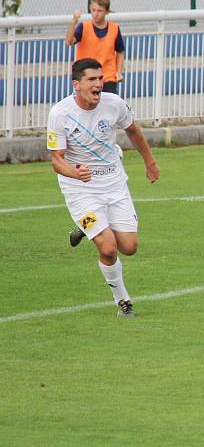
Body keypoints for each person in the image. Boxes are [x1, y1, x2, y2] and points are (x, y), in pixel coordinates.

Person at [47, 58, 160, 317]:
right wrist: (73, 172)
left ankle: (86, 227)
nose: (99, 84)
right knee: (108, 247)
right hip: (80, 189)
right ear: (76, 84)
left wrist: (150, 162)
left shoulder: (114, 104)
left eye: (100, 79)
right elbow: (57, 160)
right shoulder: (60, 114)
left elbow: (133, 130)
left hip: (114, 183)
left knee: (129, 247)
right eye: (92, 80)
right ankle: (123, 302)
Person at [65, 0, 125, 94]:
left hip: (107, 77)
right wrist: (74, 21)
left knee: (109, 106)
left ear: (106, 11)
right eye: (93, 10)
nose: (95, 14)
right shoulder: (83, 27)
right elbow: (69, 41)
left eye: (99, 11)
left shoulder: (114, 28)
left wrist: (118, 72)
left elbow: (120, 51)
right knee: (88, 108)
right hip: (87, 77)